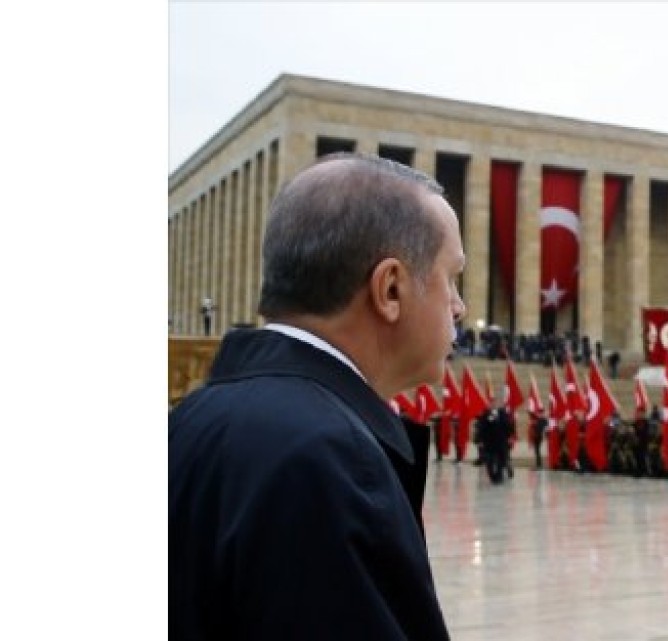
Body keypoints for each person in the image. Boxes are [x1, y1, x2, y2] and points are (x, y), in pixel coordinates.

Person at [169, 153, 461, 640]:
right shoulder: (329, 458)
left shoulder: (190, 417)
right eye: (452, 277)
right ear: (390, 289)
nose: (459, 304)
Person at [477, 396, 515, 484]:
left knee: (501, 460)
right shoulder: (485, 414)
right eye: (491, 403)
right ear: (489, 404)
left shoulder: (503, 413)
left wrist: (510, 437)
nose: (493, 404)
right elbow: (482, 428)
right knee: (489, 461)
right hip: (489, 442)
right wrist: (480, 440)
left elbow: (508, 426)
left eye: (495, 403)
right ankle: (492, 476)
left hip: (501, 441)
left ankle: (499, 476)